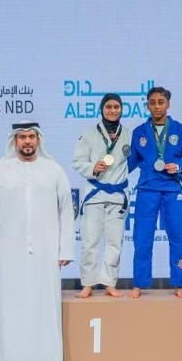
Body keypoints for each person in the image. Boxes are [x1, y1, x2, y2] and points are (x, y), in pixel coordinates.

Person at [0, 122, 75, 361]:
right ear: (14, 141)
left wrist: (65, 249)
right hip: (9, 251)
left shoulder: (53, 170)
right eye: (22, 137)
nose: (27, 141)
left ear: (38, 140)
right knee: (13, 308)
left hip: (47, 252)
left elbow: (67, 211)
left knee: (46, 307)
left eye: (31, 136)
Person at [127, 87, 182, 298]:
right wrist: (109, 169)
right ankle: (139, 283)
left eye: (161, 102)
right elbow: (129, 163)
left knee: (178, 236)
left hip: (172, 189)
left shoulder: (180, 130)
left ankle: (179, 283)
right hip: (147, 189)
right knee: (142, 238)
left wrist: (178, 166)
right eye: (152, 102)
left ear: (168, 104)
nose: (157, 106)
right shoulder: (139, 132)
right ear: (147, 105)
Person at [71, 93, 132, 298]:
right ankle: (88, 283)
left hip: (117, 195)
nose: (113, 110)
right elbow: (77, 162)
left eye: (116, 107)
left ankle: (109, 283)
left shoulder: (129, 134)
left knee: (115, 242)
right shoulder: (88, 134)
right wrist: (92, 168)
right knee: (90, 241)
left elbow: (133, 161)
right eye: (109, 107)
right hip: (95, 194)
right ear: (102, 109)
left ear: (121, 109)